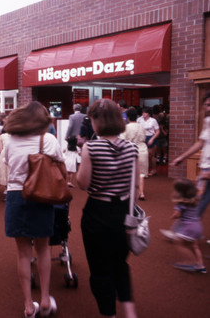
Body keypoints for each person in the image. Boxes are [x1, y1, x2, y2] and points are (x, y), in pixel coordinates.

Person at [76, 98, 138, 318]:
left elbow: (83, 183)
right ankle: (130, 312)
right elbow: (135, 186)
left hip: (98, 213)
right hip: (123, 212)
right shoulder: (132, 148)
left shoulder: (91, 147)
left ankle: (109, 314)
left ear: (97, 121)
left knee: (100, 268)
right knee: (120, 263)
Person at [3, 101, 61, 318]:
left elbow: (8, 163)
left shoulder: (10, 141)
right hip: (42, 195)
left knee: (23, 253)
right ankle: (45, 300)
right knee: (44, 249)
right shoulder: (49, 140)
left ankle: (29, 305)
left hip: (16, 195)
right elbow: (60, 162)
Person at [172, 91, 210, 218]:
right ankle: (188, 231)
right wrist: (182, 157)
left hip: (208, 168)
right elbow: (200, 143)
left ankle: (185, 231)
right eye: (206, 105)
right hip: (206, 165)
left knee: (198, 198)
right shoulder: (208, 121)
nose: (207, 108)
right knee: (200, 199)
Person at [167, 178, 206, 273]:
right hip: (198, 226)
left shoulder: (180, 204)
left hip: (188, 228)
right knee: (194, 246)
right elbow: (201, 190)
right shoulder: (195, 199)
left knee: (179, 244)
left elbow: (177, 215)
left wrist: (172, 217)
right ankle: (200, 265)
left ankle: (191, 262)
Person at [120, 108, 149, 200]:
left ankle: (129, 192)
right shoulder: (141, 126)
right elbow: (144, 137)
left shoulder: (125, 127)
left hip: (130, 150)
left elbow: (122, 140)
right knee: (141, 174)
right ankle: (141, 193)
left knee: (128, 172)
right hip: (142, 149)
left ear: (128, 117)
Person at [137, 107, 159, 177]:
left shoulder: (153, 120)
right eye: (142, 112)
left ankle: (153, 169)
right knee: (142, 155)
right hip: (142, 137)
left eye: (145, 112)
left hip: (151, 137)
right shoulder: (139, 119)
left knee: (151, 155)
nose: (143, 114)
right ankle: (143, 170)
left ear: (148, 113)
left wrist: (152, 139)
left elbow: (158, 131)